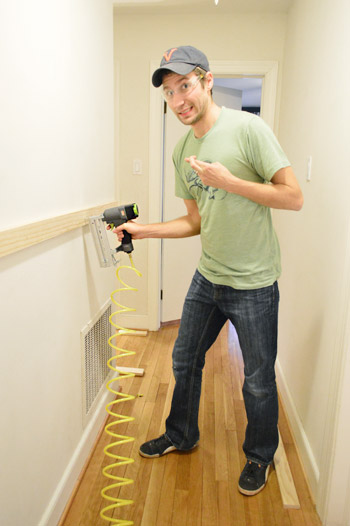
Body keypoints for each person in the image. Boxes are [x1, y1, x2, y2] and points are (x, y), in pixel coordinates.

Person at [115, 46, 303, 496]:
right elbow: (196, 221)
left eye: (185, 85)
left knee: (257, 380)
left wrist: (230, 182)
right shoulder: (183, 149)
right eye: (169, 91)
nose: (179, 99)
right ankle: (182, 434)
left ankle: (260, 455)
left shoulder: (248, 128)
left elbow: (293, 196)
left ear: (207, 81)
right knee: (184, 358)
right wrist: (145, 232)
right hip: (209, 276)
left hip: (254, 282)